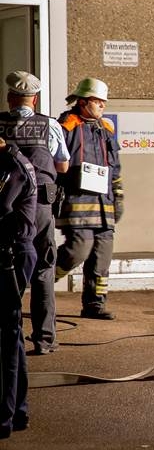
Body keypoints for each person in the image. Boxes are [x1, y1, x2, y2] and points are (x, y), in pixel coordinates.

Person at [0, 71, 70, 355]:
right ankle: (44, 339)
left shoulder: (0, 125)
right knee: (42, 269)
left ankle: (7, 333)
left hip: (4, 207)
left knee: (5, 268)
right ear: (35, 99)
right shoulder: (49, 125)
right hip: (39, 206)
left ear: (9, 97)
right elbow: (62, 165)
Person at [55, 78, 123, 320]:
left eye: (104, 101)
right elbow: (55, 162)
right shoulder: (66, 126)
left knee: (102, 257)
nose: (103, 105)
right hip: (77, 202)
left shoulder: (106, 129)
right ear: (83, 102)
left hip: (105, 205)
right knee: (78, 250)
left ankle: (95, 304)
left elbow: (115, 167)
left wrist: (118, 195)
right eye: (98, 101)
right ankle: (41, 280)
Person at [0, 137, 37, 439]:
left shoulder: (11, 166)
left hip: (13, 254)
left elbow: (1, 207)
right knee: (12, 335)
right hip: (13, 251)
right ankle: (18, 411)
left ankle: (5, 416)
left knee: (7, 335)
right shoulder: (9, 161)